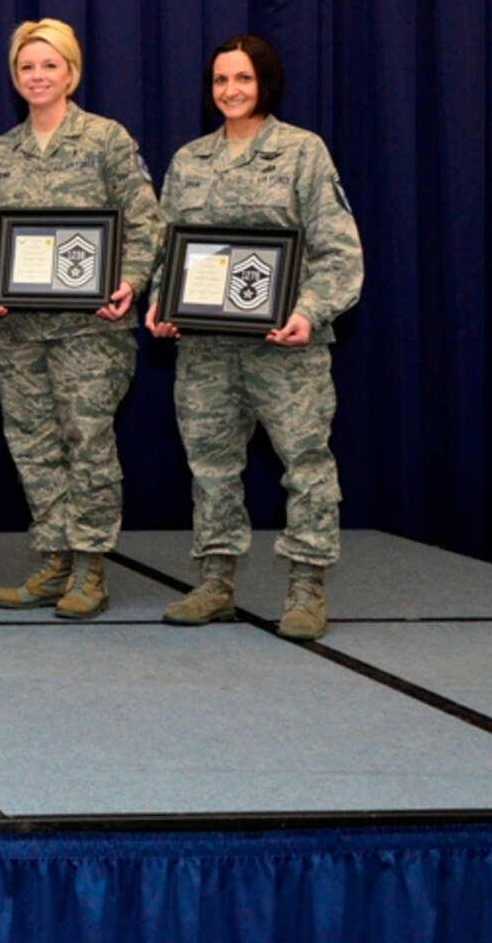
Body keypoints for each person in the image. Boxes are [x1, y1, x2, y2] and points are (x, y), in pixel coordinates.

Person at [146, 35, 362, 640]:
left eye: (242, 79)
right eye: (220, 80)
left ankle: (306, 588)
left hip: (285, 346)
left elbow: (339, 252)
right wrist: (160, 302)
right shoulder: (190, 160)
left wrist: (311, 312)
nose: (230, 91)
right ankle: (215, 583)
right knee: (210, 466)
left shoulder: (301, 153)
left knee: (305, 465)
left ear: (265, 82)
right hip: (206, 349)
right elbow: (167, 251)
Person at [0, 18, 162, 618]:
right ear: (14, 76)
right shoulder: (0, 154)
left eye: (49, 65)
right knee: (32, 444)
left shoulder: (106, 141)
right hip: (20, 329)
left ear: (71, 72)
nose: (37, 76)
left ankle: (90, 566)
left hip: (91, 330)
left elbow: (145, 221)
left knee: (88, 442)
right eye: (26, 67)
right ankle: (53, 558)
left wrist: (129, 281)